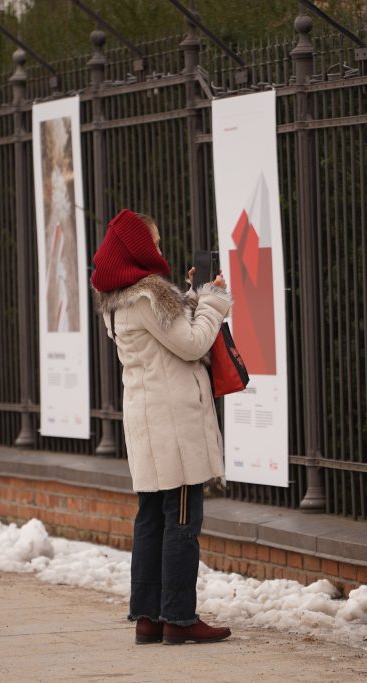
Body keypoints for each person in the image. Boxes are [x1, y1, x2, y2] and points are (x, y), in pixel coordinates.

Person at [91, 208, 233, 645]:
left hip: (147, 419)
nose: (158, 250)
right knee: (183, 517)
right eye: (152, 243)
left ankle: (149, 617)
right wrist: (212, 301)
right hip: (176, 424)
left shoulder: (120, 302)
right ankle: (180, 618)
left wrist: (191, 294)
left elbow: (168, 337)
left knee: (151, 515)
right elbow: (191, 344)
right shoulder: (149, 297)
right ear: (136, 249)